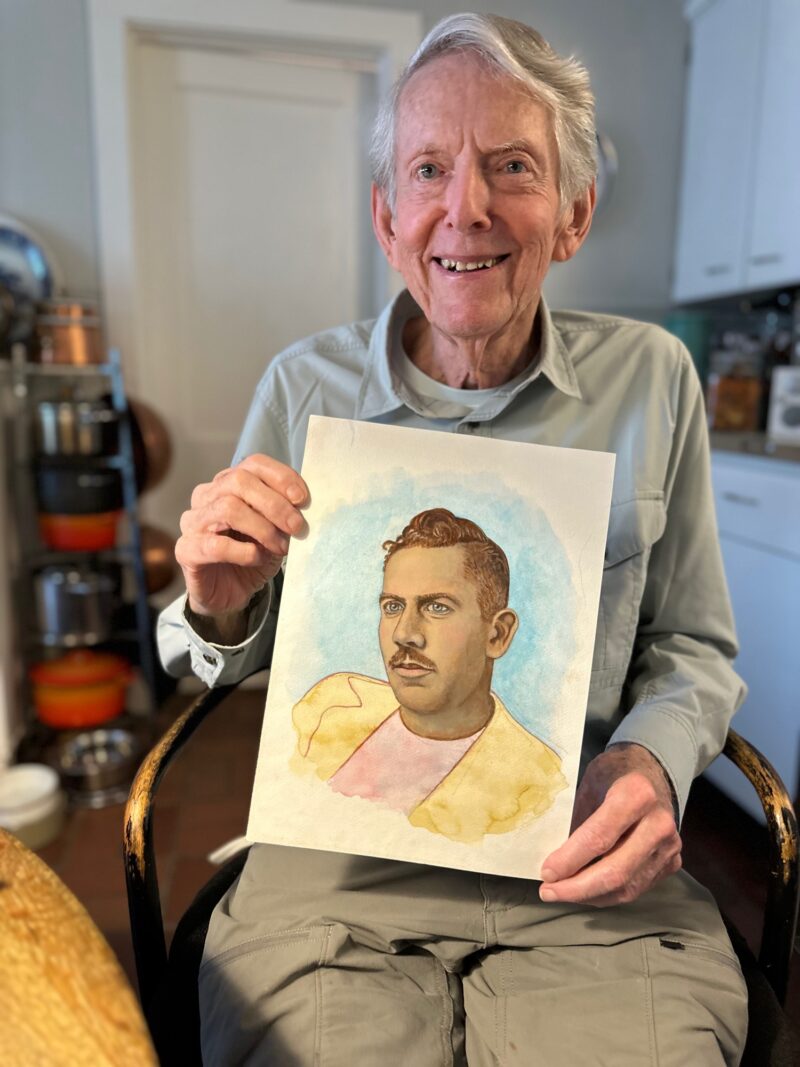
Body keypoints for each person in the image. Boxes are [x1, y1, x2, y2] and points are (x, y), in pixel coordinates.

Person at [158, 13, 748, 1065]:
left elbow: (692, 647)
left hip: (576, 866)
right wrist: (215, 597)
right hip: (334, 880)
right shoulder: (302, 386)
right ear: (387, 220)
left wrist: (651, 763)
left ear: (573, 214)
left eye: (510, 166)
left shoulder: (652, 378)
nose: (463, 208)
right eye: (428, 168)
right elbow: (211, 647)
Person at [291, 507, 566, 842]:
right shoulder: (330, 703)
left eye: (437, 607)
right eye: (392, 606)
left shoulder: (539, 788)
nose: (404, 634)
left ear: (497, 635)